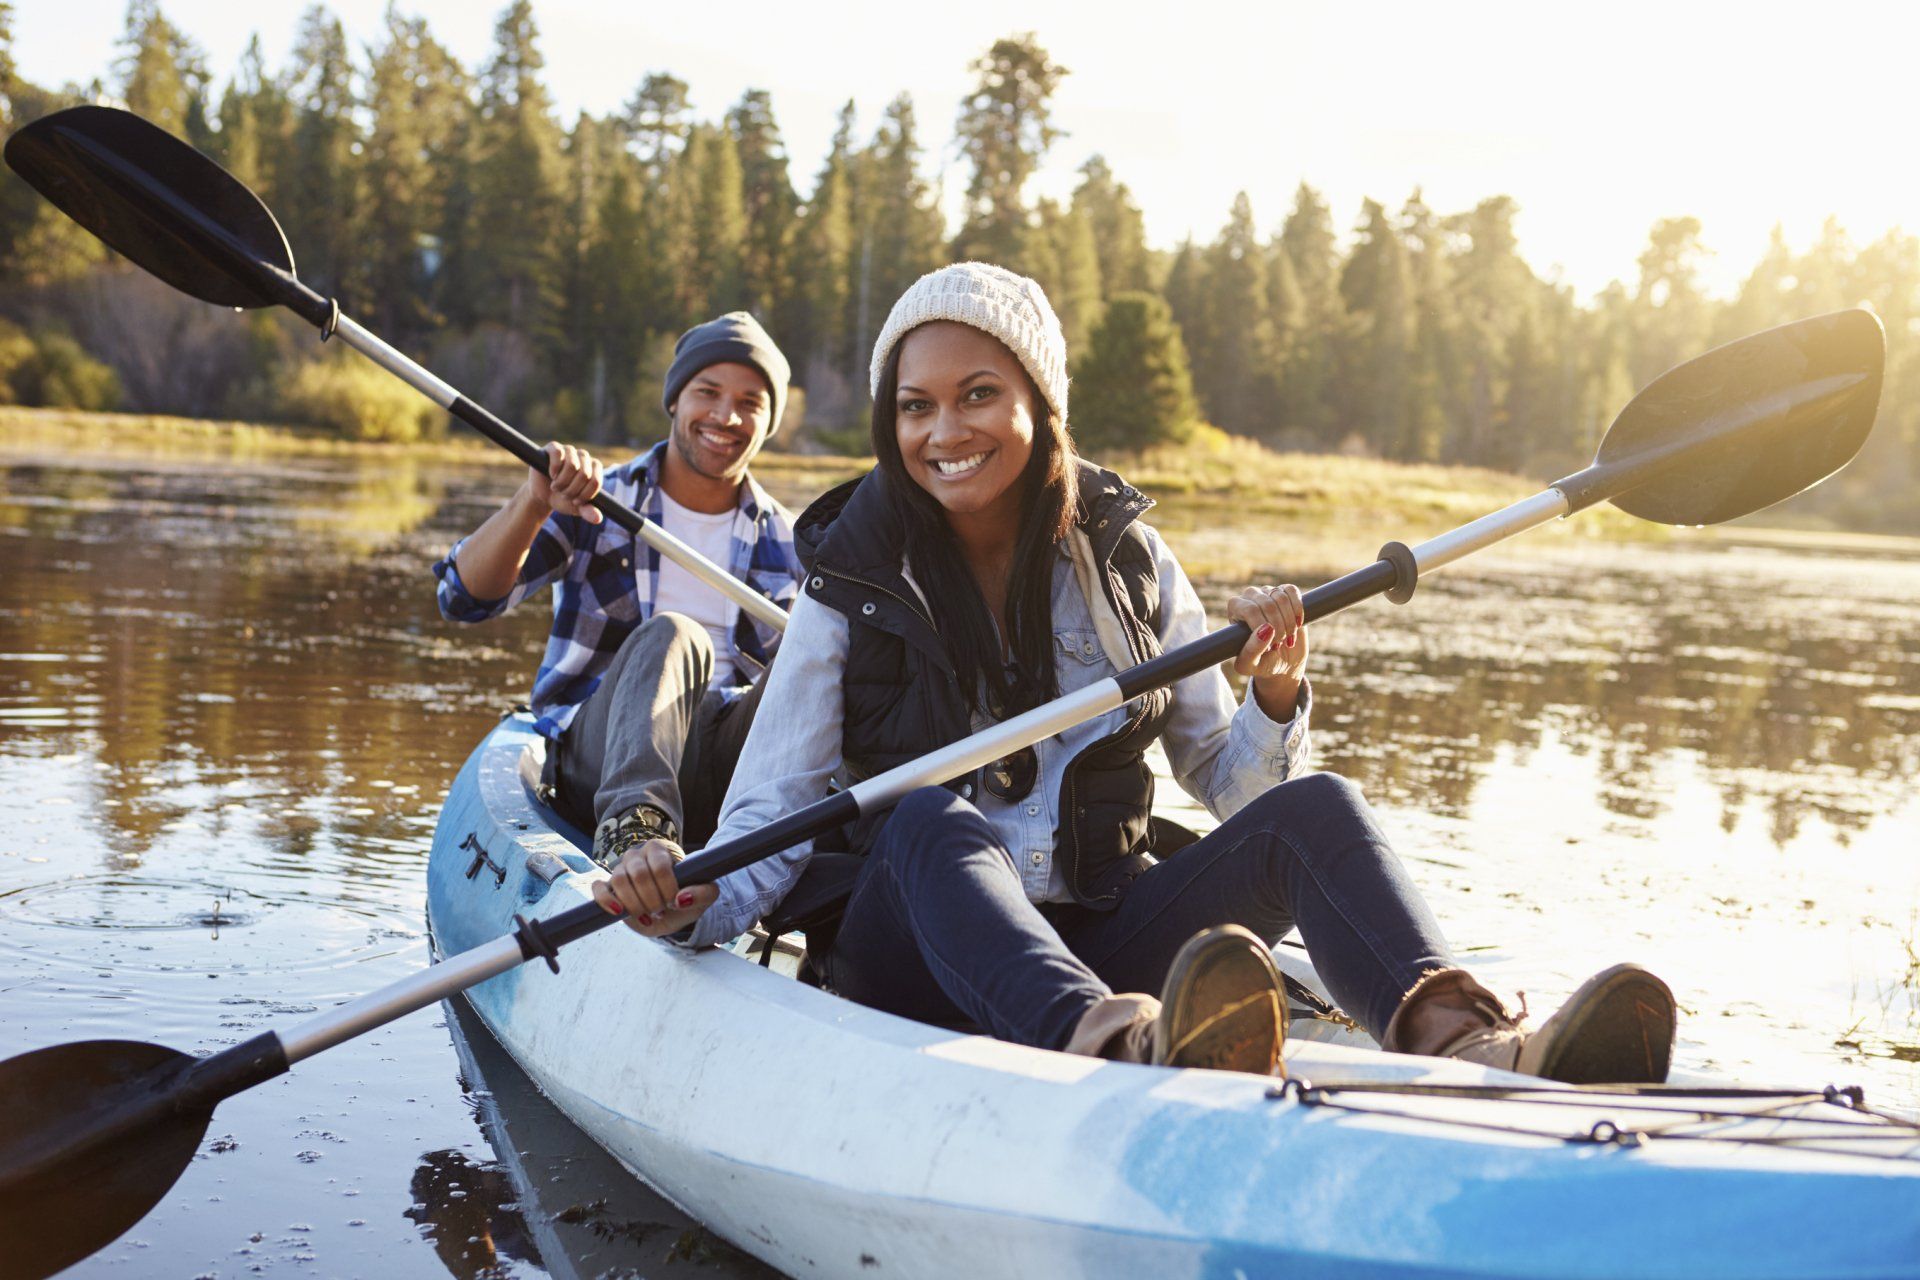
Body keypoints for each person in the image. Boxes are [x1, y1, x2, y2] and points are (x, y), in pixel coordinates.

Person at [593, 265, 1677, 1083]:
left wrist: (1275, 696)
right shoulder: (848, 577)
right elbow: (774, 806)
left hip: (1099, 926)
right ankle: (1120, 1043)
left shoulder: (1129, 562)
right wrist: (686, 897)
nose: (942, 430)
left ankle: (1474, 1041)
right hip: (914, 946)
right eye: (914, 406)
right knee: (929, 821)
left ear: (1039, 404)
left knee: (1319, 807)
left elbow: (1229, 780)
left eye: (977, 394)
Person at [434, 312, 804, 867]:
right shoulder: (595, 499)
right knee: (675, 636)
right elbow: (463, 599)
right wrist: (533, 504)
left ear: (769, 421)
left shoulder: (791, 539)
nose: (726, 416)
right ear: (675, 400)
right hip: (600, 756)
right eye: (708, 392)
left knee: (817, 654)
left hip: (728, 774)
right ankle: (635, 834)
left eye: (750, 402)